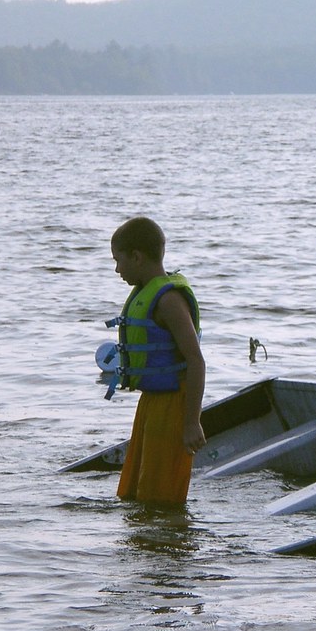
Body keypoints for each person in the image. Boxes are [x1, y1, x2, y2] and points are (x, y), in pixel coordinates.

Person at [105, 216, 206, 505]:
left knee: (160, 496)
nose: (116, 269)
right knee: (135, 492)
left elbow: (196, 361)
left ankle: (169, 544)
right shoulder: (145, 293)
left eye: (118, 260)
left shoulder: (169, 301)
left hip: (175, 404)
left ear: (136, 257)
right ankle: (144, 545)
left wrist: (191, 423)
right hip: (152, 402)